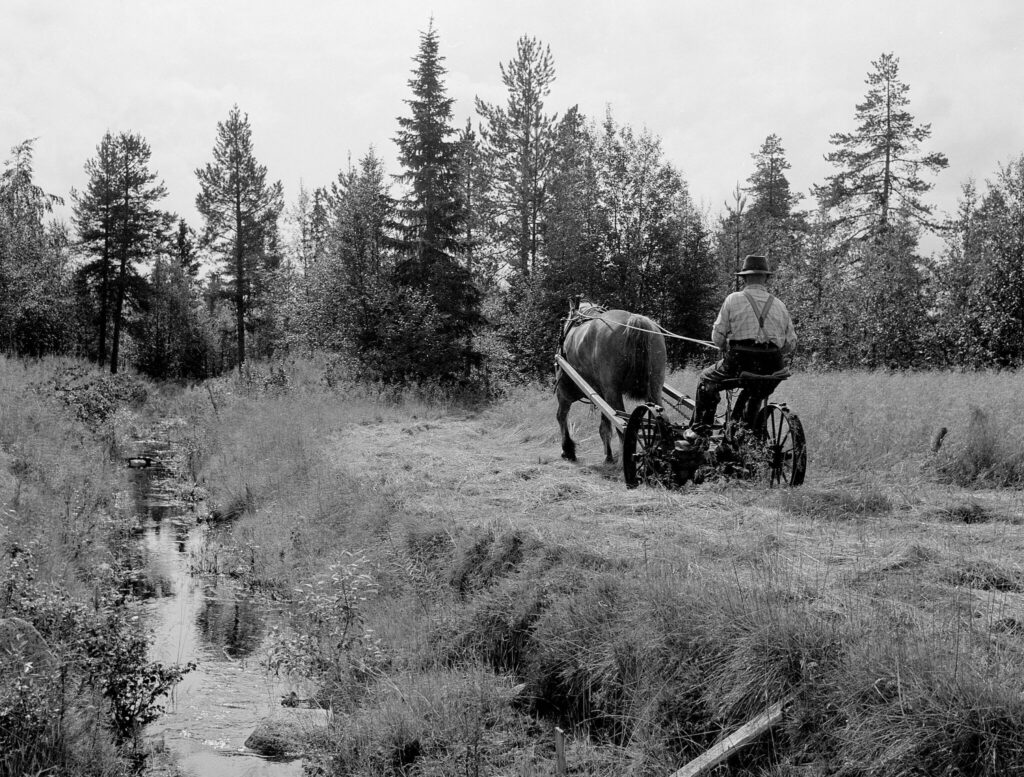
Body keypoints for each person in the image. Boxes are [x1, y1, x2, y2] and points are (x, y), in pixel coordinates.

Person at [691, 254, 797, 431]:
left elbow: (717, 338)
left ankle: (700, 430)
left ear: (745, 277)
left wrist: (725, 345)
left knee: (705, 379)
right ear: (765, 278)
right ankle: (743, 429)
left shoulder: (733, 299)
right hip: (773, 367)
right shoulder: (780, 305)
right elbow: (790, 344)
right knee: (756, 391)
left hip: (740, 363)